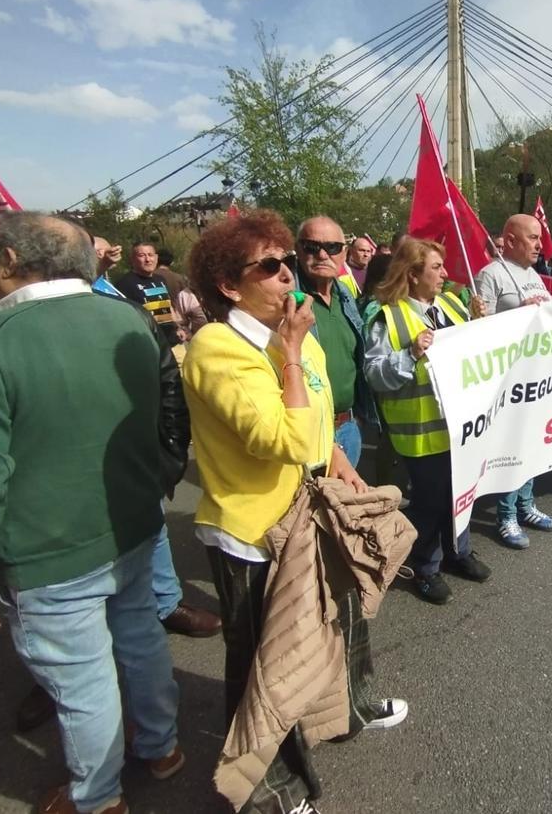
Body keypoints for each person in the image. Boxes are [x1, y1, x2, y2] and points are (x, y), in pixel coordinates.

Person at [0, 213, 182, 814]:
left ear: (12, 262)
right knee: (141, 639)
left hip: (47, 551)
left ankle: (98, 797)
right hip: (132, 525)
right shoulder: (126, 318)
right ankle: (162, 746)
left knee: (82, 681)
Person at [183, 213, 405, 814]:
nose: (289, 275)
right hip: (255, 534)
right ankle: (268, 791)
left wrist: (341, 462)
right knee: (264, 666)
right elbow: (285, 440)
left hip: (308, 512)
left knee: (338, 623)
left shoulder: (285, 332)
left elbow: (319, 416)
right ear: (231, 285)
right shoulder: (219, 347)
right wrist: (287, 352)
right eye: (272, 266)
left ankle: (349, 711)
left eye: (288, 261)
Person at [364, 238, 491, 603]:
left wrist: (481, 323)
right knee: (432, 502)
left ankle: (458, 552)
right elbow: (374, 375)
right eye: (436, 267)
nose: (445, 274)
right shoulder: (386, 315)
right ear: (413, 273)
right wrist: (410, 352)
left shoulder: (452, 304)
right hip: (421, 431)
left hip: (461, 428)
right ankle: (425, 567)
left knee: (462, 495)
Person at [474, 214, 552, 549]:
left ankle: (526, 505)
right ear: (510, 240)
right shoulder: (490, 275)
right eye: (533, 238)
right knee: (513, 447)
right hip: (509, 381)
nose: (540, 245)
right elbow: (480, 328)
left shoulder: (535, 276)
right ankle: (506, 514)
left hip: (537, 375)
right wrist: (518, 312)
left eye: (539, 238)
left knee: (533, 444)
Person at [294, 217, 379, 467]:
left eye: (332, 247)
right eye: (312, 246)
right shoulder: (286, 302)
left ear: (344, 253)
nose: (322, 254)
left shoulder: (345, 297)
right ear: (298, 250)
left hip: (348, 428)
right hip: (309, 430)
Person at [114, 242, 182, 346]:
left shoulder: (160, 280)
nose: (148, 259)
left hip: (172, 341)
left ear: (156, 257)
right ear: (132, 259)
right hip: (148, 343)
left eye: (150, 255)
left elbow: (168, 306)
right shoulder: (124, 283)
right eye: (142, 255)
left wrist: (178, 328)